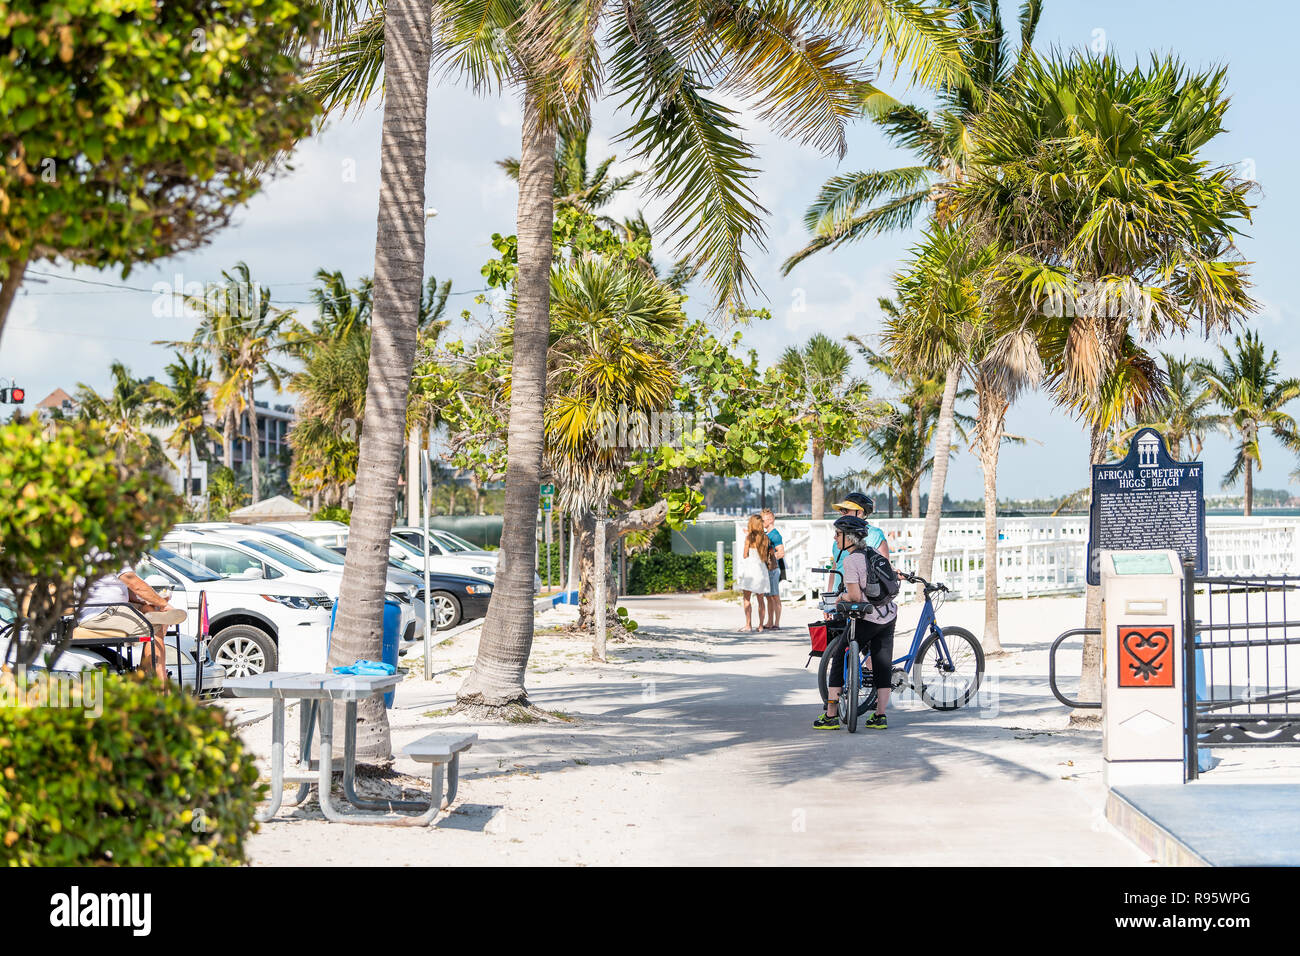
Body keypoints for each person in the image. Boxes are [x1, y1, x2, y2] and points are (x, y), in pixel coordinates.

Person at [815, 514, 897, 731]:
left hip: (867, 617)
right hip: (888, 615)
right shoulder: (873, 553)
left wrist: (840, 598)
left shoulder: (851, 560)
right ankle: (880, 716)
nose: (835, 538)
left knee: (840, 655)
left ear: (849, 538)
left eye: (838, 534)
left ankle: (831, 715)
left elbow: (854, 597)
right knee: (882, 664)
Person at [80, 561, 185, 683]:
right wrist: (164, 604)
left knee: (149, 610)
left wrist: (148, 603)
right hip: (102, 613)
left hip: (101, 610)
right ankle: (159, 684)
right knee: (154, 625)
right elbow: (134, 583)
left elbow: (126, 590)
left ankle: (145, 676)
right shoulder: (111, 549)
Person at [736, 514, 771, 632]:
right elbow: (766, 556)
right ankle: (761, 626)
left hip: (750, 570)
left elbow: (745, 555)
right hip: (761, 570)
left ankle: (748, 625)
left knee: (747, 599)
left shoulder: (749, 538)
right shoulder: (765, 538)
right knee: (761, 600)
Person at [760, 508, 784, 629]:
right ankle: (769, 622)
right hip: (767, 570)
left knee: (775, 596)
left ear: (770, 520)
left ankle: (777, 623)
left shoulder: (775, 534)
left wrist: (770, 557)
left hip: (774, 569)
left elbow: (781, 552)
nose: (761, 523)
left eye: (763, 520)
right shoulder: (766, 534)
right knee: (769, 597)